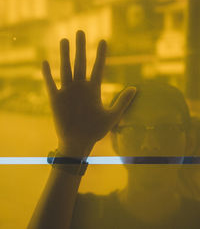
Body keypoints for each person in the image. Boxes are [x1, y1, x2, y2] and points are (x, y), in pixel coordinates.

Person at [28, 30, 200, 229]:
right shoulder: (79, 212)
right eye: (135, 129)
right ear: (115, 141)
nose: (149, 144)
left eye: (166, 129)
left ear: (190, 142)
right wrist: (72, 148)